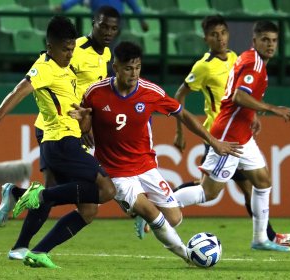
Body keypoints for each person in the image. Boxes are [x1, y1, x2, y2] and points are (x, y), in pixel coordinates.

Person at [67, 41, 242, 263]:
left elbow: (183, 115)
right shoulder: (96, 92)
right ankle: (188, 256)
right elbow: (85, 127)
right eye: (128, 68)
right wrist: (83, 123)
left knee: (175, 218)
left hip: (145, 165)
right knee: (153, 214)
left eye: (138, 67)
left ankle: (140, 215)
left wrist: (213, 140)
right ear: (116, 67)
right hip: (115, 171)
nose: (134, 73)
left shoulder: (150, 92)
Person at [0, 15, 116, 268]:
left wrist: (84, 121)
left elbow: (71, 102)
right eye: (65, 49)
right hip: (61, 142)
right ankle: (33, 196)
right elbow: (20, 89)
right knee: (107, 190)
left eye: (72, 48)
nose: (70, 54)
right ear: (50, 46)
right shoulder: (45, 67)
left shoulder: (66, 66)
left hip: (65, 139)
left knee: (88, 210)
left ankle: (23, 242)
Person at [171, 15, 290, 247]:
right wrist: (273, 108)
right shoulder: (251, 63)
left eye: (274, 40)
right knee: (208, 193)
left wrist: (252, 116)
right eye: (265, 40)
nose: (270, 44)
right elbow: (239, 96)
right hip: (228, 137)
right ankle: (157, 208)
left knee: (262, 181)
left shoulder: (242, 57)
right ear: (254, 40)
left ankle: (262, 238)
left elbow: (241, 94)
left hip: (242, 134)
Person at [55, 0, 149, 32]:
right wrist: (63, 6)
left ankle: (109, 73)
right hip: (99, 21)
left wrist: (142, 20)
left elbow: (132, 4)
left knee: (110, 47)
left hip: (115, 21)